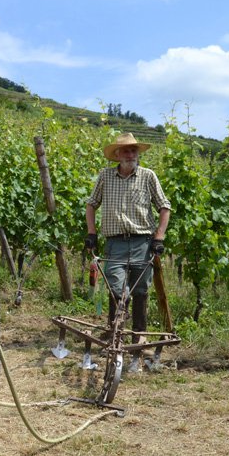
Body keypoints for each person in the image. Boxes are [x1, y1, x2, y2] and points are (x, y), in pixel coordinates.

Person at [85, 132, 171, 372]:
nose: (131, 154)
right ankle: (115, 340)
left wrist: (159, 237)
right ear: (117, 155)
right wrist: (91, 232)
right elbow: (91, 204)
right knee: (116, 291)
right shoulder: (105, 177)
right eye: (126, 151)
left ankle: (137, 343)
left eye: (134, 150)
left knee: (140, 291)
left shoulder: (148, 177)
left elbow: (164, 207)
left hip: (143, 242)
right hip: (115, 244)